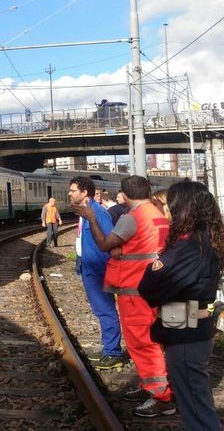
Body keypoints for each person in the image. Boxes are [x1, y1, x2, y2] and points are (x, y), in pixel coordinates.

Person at [75, 175, 175, 418]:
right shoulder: (157, 214)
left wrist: (92, 219)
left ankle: (161, 396)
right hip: (152, 287)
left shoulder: (133, 218)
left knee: (142, 343)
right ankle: (149, 385)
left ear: (124, 194)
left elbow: (104, 244)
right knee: (151, 340)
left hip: (135, 289)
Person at [139, 181, 223, 430]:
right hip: (190, 323)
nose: (167, 211)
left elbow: (149, 286)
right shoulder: (205, 240)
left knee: (194, 402)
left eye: (170, 206)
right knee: (193, 396)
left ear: (184, 208)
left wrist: (154, 271)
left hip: (185, 329)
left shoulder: (188, 247)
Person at [68, 177, 123, 371]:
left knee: (105, 309)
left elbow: (109, 240)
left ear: (84, 193)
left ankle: (112, 353)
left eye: (73, 190)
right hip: (90, 267)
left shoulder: (97, 212)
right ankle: (109, 349)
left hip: (98, 268)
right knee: (101, 309)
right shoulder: (86, 211)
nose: (69, 193)